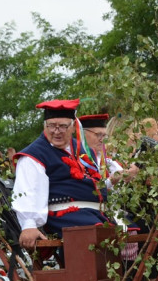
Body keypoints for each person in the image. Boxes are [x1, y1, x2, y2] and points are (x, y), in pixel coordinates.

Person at [13, 99, 109, 249]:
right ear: (44, 126)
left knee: (136, 228)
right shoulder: (33, 155)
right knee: (97, 234)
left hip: (96, 213)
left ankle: (127, 272)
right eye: (51, 126)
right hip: (66, 216)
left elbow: (96, 180)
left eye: (63, 126)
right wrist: (29, 224)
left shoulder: (82, 149)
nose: (56, 131)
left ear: (73, 127)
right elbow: (28, 191)